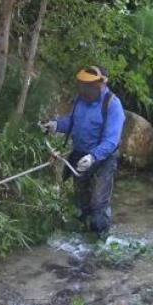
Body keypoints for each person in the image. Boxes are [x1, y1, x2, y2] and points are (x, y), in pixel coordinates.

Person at [41, 66, 125, 237]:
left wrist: (93, 156)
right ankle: (83, 237)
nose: (84, 89)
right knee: (82, 201)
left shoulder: (112, 105)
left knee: (98, 203)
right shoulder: (80, 100)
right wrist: (56, 125)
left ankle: (101, 240)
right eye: (82, 85)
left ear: (101, 84)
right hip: (79, 156)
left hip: (103, 160)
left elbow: (111, 140)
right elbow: (72, 122)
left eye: (89, 86)